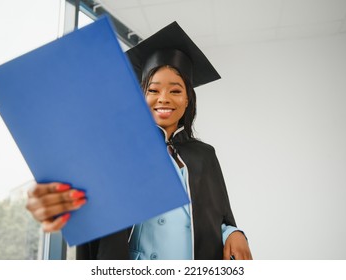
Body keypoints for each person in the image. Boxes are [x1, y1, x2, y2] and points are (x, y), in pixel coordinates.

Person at [26, 21, 252, 260]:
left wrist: (234, 233)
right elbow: (86, 204)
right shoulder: (119, 152)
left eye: (175, 91)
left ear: (187, 99)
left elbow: (220, 217)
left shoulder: (205, 155)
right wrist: (53, 199)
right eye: (153, 91)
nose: (163, 98)